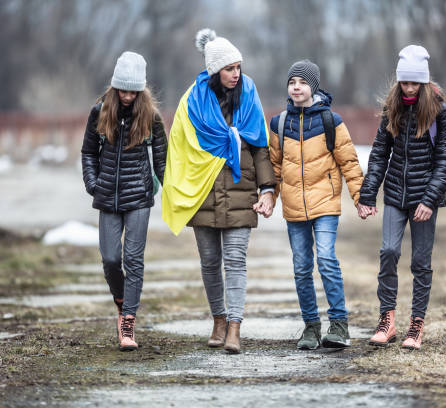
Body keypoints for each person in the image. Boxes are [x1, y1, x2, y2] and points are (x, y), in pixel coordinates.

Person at [161, 29, 276, 354]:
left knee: (235, 261)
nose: (236, 74)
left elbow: (260, 146)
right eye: (229, 68)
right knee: (210, 262)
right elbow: (179, 147)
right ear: (214, 71)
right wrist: (174, 186)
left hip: (241, 192)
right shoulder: (192, 102)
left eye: (238, 67)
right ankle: (219, 320)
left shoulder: (249, 95)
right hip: (203, 192)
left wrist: (267, 189)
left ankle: (235, 328)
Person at [358, 45, 446, 350]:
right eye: (404, 83)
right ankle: (387, 321)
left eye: (414, 83)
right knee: (388, 252)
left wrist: (429, 200)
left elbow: (445, 159)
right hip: (396, 197)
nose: (409, 88)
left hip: (425, 199)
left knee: (420, 262)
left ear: (423, 83)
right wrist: (368, 194)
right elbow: (378, 154)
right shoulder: (393, 109)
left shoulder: (438, 110)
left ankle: (416, 325)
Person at [269, 60, 365, 350]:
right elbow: (273, 167)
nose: (296, 87)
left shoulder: (330, 122)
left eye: (302, 82)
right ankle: (310, 327)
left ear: (314, 87)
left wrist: (361, 199)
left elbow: (349, 162)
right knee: (301, 267)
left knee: (325, 258)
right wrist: (267, 198)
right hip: (294, 207)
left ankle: (339, 325)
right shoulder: (279, 123)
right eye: (292, 82)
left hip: (325, 204)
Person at [81, 51, 166, 351]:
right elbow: (88, 152)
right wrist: (93, 183)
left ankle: (128, 322)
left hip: (140, 197)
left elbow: (161, 159)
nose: (128, 96)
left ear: (141, 89)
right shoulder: (100, 112)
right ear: (116, 87)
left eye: (134, 90)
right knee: (110, 259)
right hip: (107, 197)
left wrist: (168, 191)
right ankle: (120, 300)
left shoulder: (151, 116)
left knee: (133, 259)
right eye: (124, 90)